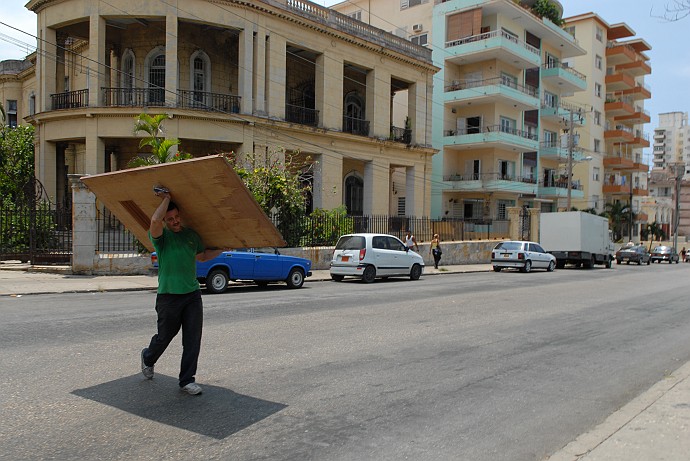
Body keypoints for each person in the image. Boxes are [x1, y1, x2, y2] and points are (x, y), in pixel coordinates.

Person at [140, 188, 223, 395]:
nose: (175, 221)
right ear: (166, 222)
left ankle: (187, 380)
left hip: (192, 295)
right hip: (168, 296)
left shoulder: (191, 236)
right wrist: (167, 199)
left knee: (192, 338)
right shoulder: (161, 238)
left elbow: (202, 257)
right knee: (165, 337)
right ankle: (148, 357)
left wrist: (226, 248)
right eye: (171, 219)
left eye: (177, 217)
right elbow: (154, 222)